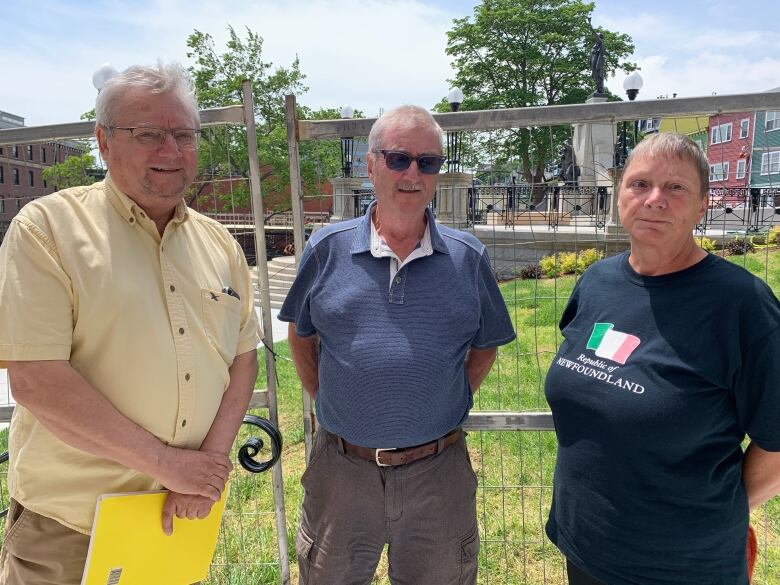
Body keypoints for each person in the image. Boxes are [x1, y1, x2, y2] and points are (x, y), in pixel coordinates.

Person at [0, 62, 261, 584]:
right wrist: (171, 466)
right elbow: (35, 381)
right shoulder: (47, 229)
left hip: (178, 519)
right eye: (148, 134)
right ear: (103, 140)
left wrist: (204, 470)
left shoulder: (221, 245)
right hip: (72, 529)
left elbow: (243, 361)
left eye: (184, 135)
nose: (171, 151)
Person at [279, 105, 515, 584]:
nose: (413, 173)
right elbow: (301, 336)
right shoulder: (326, 249)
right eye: (398, 159)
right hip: (342, 473)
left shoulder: (469, 259)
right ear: (370, 165)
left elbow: (485, 346)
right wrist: (329, 398)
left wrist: (448, 398)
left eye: (428, 162)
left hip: (437, 476)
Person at [544, 133, 780, 585]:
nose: (653, 199)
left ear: (703, 204)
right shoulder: (596, 283)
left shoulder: (742, 306)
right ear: (618, 195)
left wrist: (711, 514)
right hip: (585, 546)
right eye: (639, 184)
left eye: (675, 188)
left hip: (682, 565)